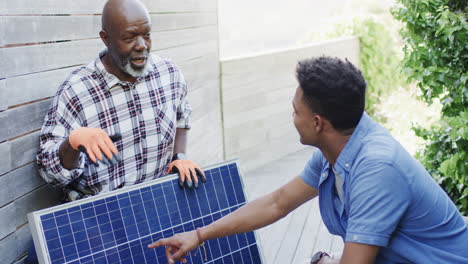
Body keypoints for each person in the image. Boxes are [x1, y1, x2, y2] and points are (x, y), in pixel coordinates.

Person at [148, 56, 468, 264]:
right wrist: (200, 234)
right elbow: (277, 202)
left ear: (317, 123)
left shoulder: (377, 169)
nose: (292, 117)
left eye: (295, 111)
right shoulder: (336, 150)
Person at [27, 1, 205, 263]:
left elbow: (182, 116)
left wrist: (179, 155)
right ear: (106, 38)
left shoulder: (169, 74)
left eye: (146, 34)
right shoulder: (76, 91)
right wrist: (73, 142)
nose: (142, 45)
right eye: (130, 37)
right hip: (98, 223)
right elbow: (50, 173)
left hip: (153, 211)